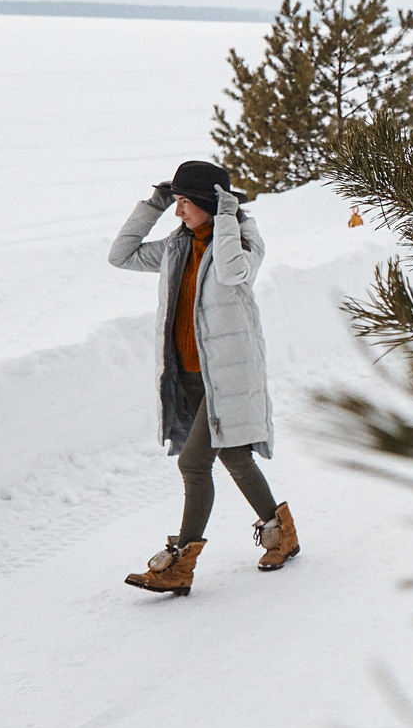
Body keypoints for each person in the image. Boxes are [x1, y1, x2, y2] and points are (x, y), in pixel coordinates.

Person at [108, 159, 300, 595]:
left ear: (210, 204)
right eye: (174, 203)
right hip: (189, 376)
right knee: (234, 457)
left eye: (184, 204)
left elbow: (234, 272)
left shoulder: (244, 240)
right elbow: (120, 255)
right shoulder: (176, 246)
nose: (179, 213)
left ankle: (180, 564)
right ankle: (281, 533)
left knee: (194, 463)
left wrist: (228, 216)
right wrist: (152, 205)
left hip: (226, 379)